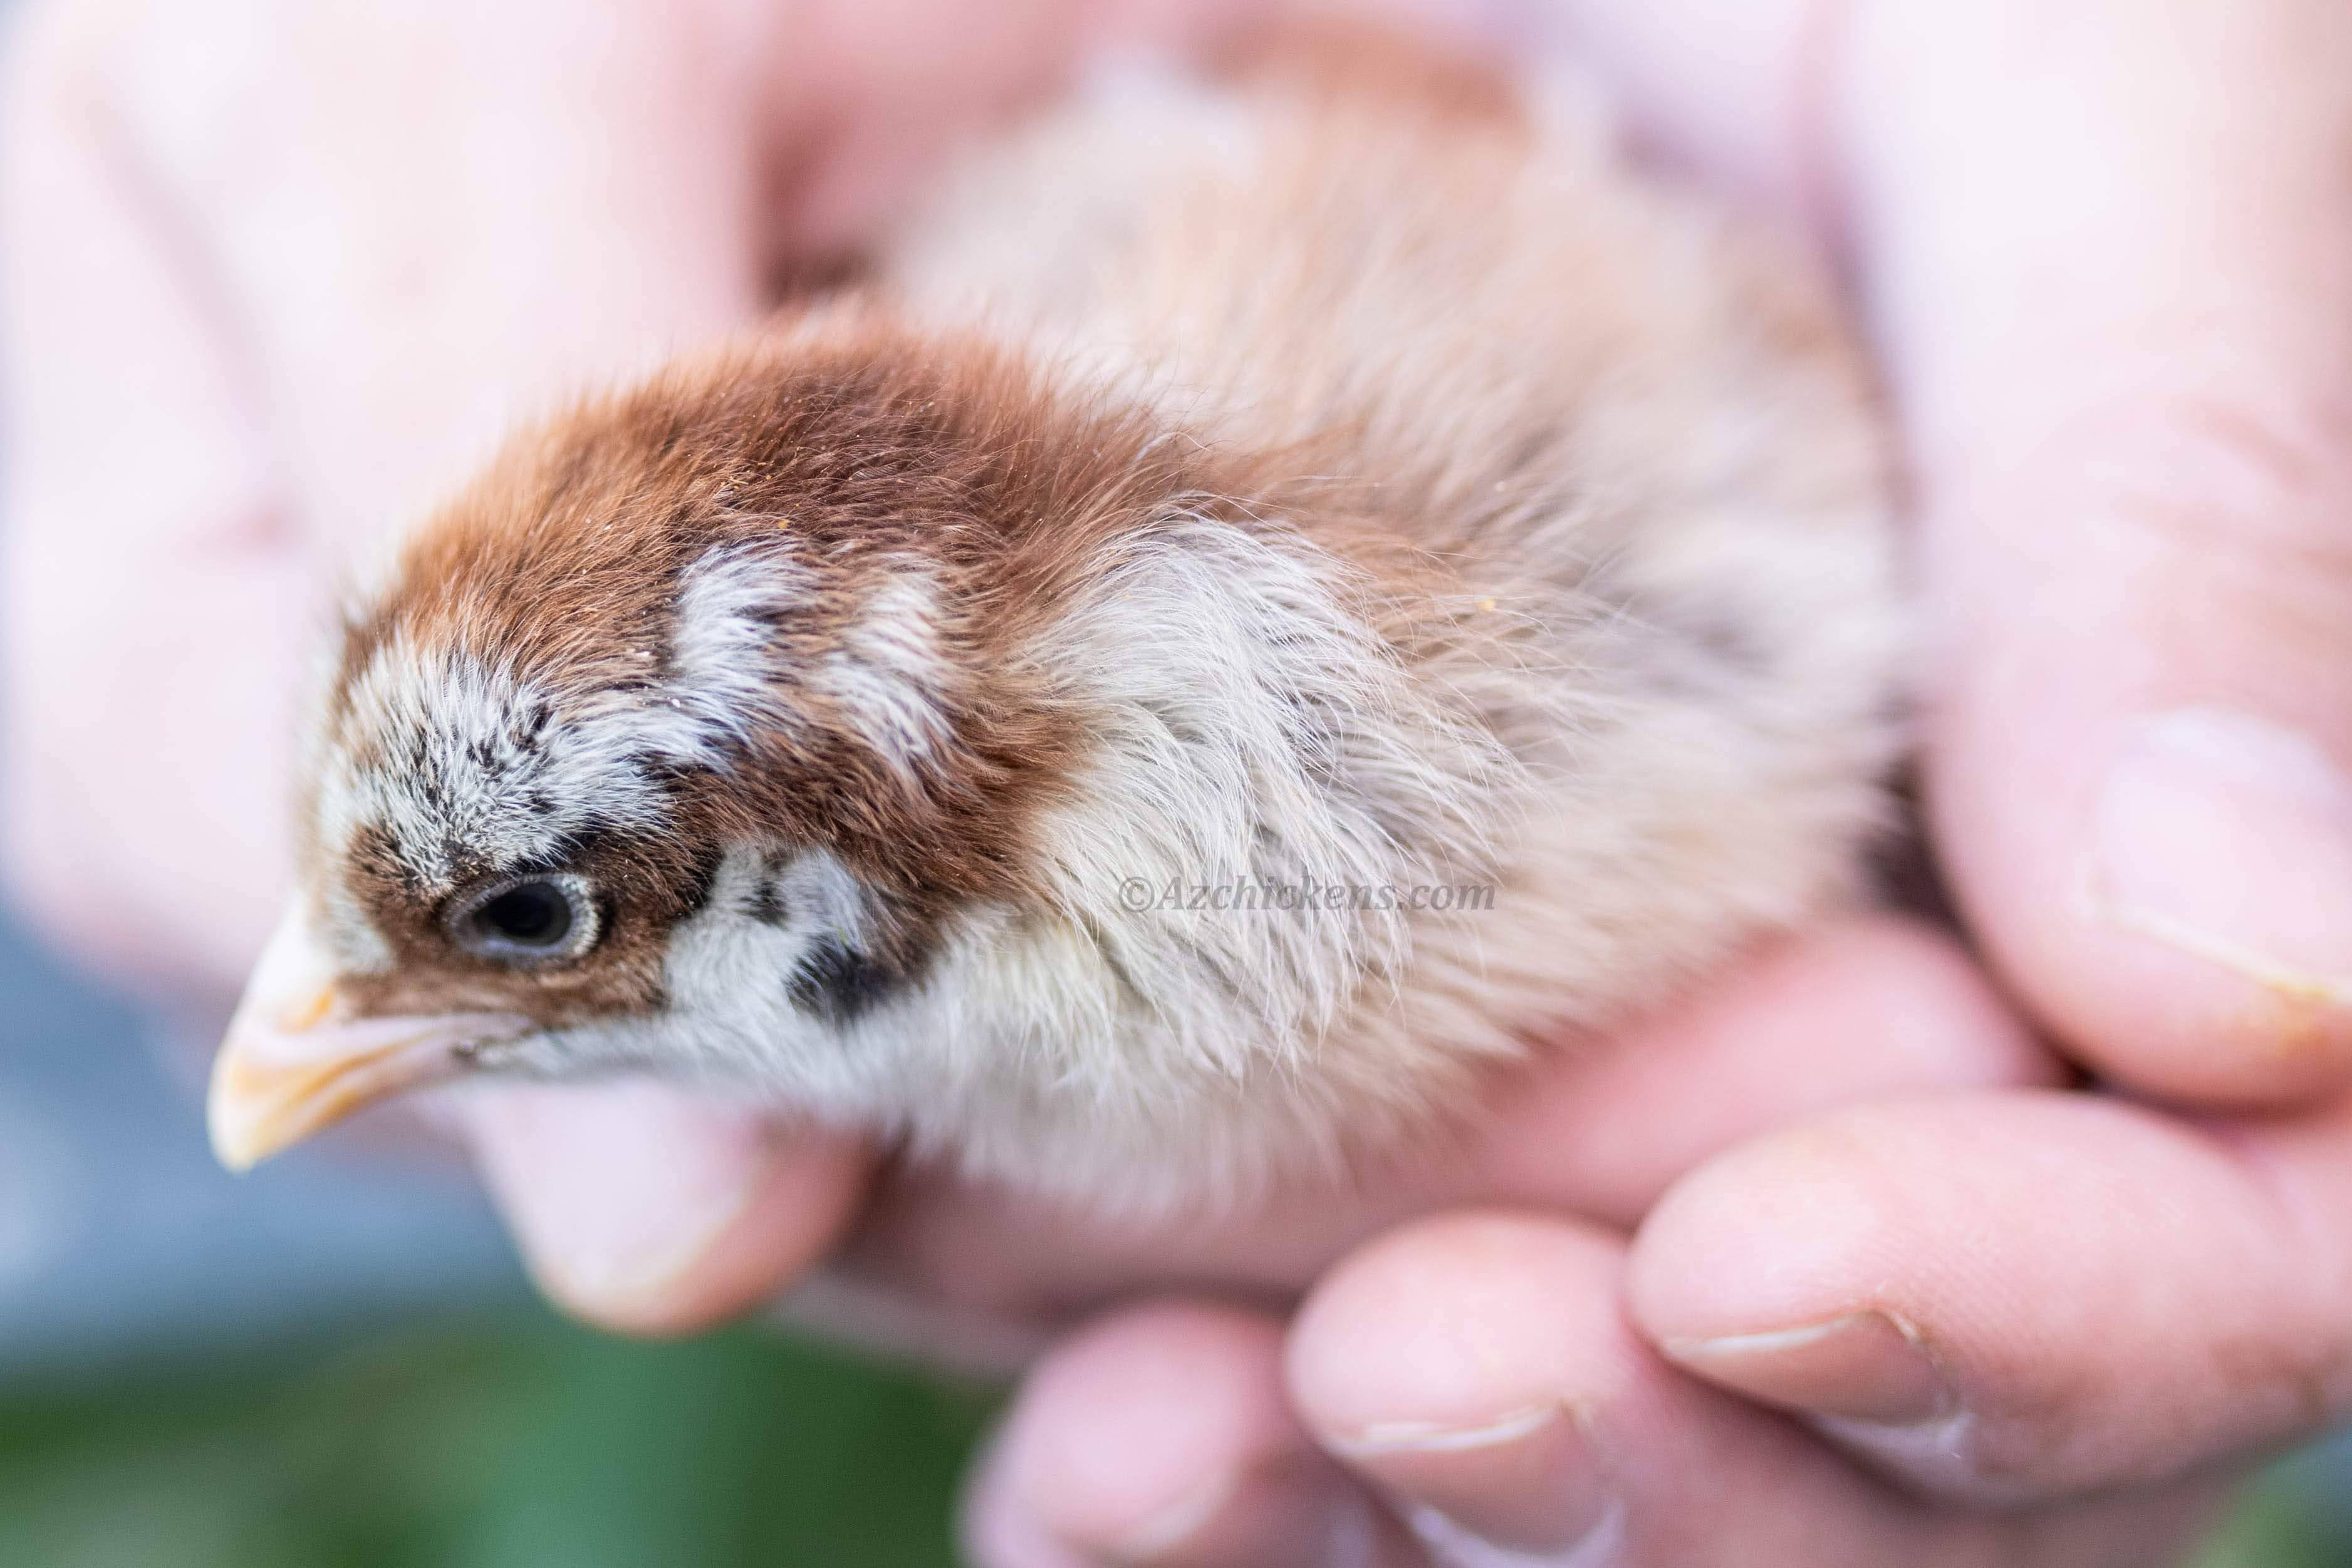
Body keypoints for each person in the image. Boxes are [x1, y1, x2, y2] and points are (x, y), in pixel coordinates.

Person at [7, 0, 2349, 1561]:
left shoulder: (1368, 792)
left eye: (532, 921)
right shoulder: (1121, 827)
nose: (289, 1016)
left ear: (856, 887)